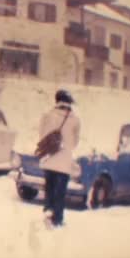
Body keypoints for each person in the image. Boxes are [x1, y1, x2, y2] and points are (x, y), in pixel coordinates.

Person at [39, 89, 81, 228]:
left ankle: (48, 211)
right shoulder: (75, 120)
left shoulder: (47, 115)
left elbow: (42, 135)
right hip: (64, 163)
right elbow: (75, 143)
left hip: (49, 159)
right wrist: (65, 145)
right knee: (60, 192)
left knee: (49, 188)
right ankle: (57, 220)